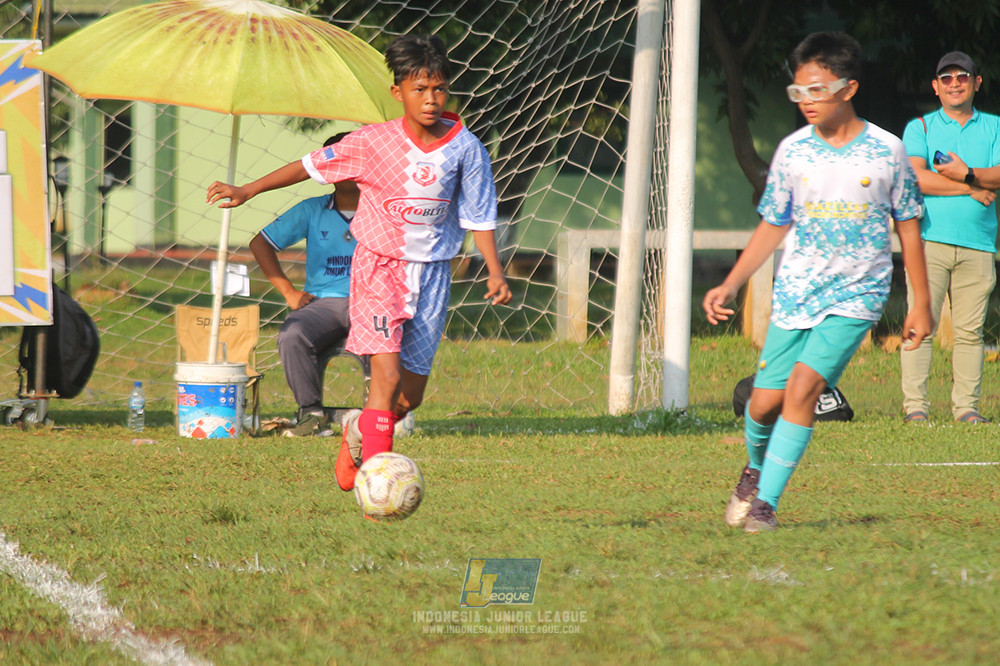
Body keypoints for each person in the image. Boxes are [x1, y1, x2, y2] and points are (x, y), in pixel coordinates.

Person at [207, 34, 512, 490]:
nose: (431, 99)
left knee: (408, 398)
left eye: (439, 89)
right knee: (384, 377)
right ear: (398, 93)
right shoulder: (370, 142)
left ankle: (356, 431)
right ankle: (377, 484)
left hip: (432, 276)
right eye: (419, 89)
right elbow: (308, 165)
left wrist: (495, 271)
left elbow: (479, 215)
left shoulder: (466, 148)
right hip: (378, 270)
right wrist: (247, 190)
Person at [703, 32, 931, 532]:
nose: (805, 100)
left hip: (857, 295)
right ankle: (754, 469)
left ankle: (765, 505)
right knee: (764, 403)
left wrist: (920, 303)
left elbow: (910, 227)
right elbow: (773, 224)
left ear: (848, 88)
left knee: (804, 388)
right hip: (796, 293)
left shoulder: (887, 151)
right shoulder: (793, 152)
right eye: (798, 91)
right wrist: (731, 283)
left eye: (817, 90)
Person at [899, 51, 1000, 425]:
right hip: (929, 241)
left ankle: (967, 408)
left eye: (962, 77)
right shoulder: (920, 128)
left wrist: (966, 172)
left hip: (980, 243)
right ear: (935, 86)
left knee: (971, 333)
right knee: (921, 324)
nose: (954, 84)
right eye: (946, 78)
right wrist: (971, 186)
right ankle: (915, 408)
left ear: (977, 82)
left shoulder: (995, 127)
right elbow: (915, 178)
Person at [248, 133, 358, 437]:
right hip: (323, 303)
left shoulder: (383, 209)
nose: (344, 168)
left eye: (351, 159)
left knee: (386, 332)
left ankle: (384, 414)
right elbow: (260, 243)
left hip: (372, 301)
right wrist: (289, 292)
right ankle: (312, 415)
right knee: (292, 333)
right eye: (336, 161)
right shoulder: (312, 210)